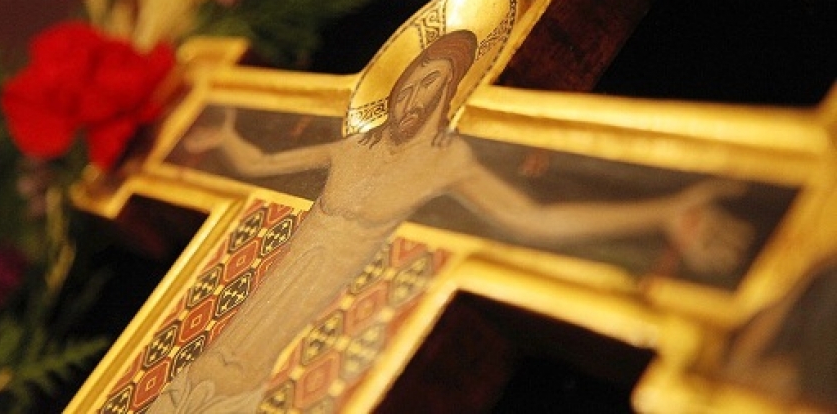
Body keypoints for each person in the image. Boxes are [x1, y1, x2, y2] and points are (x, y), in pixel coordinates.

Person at [149, 30, 750, 413]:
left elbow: (537, 220)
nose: (413, 99)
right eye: (410, 85)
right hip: (280, 278)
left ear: (448, 93)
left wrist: (663, 210)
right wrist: (226, 135)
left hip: (319, 294)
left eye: (430, 87)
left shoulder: (448, 161)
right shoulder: (354, 145)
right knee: (210, 369)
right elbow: (262, 164)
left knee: (248, 378)